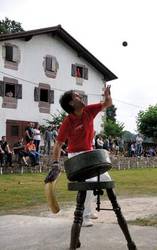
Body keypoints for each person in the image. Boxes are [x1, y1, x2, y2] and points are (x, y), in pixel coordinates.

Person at [44, 85, 113, 227]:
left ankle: (89, 208)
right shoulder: (68, 122)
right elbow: (58, 144)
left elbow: (108, 104)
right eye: (76, 96)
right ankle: (83, 216)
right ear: (71, 103)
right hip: (76, 156)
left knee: (105, 178)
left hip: (89, 153)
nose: (80, 96)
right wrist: (55, 164)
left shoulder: (89, 110)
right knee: (87, 183)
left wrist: (107, 95)